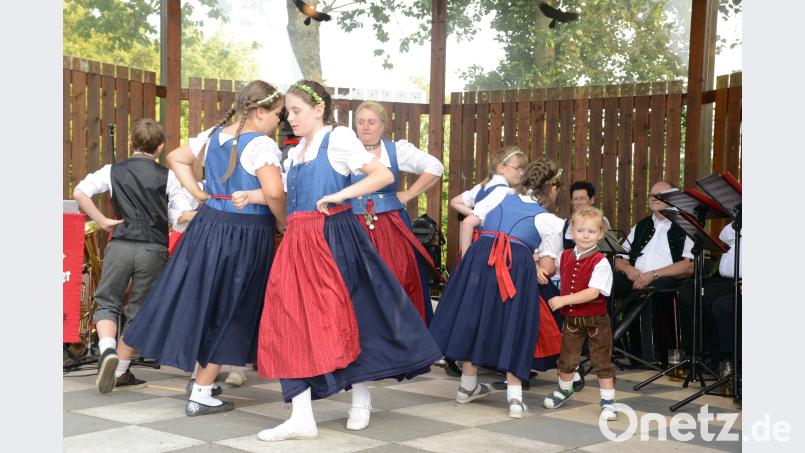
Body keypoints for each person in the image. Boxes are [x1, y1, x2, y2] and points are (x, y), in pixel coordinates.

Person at [255, 80, 442, 442]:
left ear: (318, 109)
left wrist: (341, 193)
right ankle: (301, 415)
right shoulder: (296, 151)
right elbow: (286, 195)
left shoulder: (337, 140)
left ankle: (360, 393)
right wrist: (248, 196)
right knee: (290, 320)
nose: (289, 118)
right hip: (297, 241)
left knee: (351, 317)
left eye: (295, 111)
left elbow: (383, 175)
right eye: (287, 112)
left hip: (332, 238)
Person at [123, 80, 286, 416]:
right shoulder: (262, 145)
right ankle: (201, 391)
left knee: (204, 300)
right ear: (260, 112)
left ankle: (200, 380)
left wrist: (200, 195)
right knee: (232, 307)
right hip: (246, 232)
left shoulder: (215, 135)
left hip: (208, 225)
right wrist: (283, 220)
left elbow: (175, 158)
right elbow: (273, 192)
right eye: (278, 115)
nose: (279, 122)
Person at [429, 159, 563, 419]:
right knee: (515, 324)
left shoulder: (499, 194)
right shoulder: (550, 221)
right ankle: (514, 399)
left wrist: (467, 263)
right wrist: (538, 265)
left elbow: (469, 223)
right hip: (516, 269)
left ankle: (467, 388)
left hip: (480, 260)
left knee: (476, 320)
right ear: (552, 190)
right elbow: (548, 267)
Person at [73, 118, 184, 393]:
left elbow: (79, 191)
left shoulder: (113, 170)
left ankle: (107, 349)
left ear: (132, 143)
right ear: (159, 147)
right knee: (140, 309)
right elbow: (179, 217)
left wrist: (101, 220)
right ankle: (121, 370)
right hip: (153, 248)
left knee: (107, 301)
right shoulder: (168, 176)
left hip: (120, 243)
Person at [351, 101, 444, 323]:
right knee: (356, 283)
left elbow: (435, 166)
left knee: (398, 278)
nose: (365, 127)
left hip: (390, 225)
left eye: (371, 122)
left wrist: (410, 193)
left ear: (382, 126)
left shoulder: (396, 150)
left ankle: (403, 344)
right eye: (361, 122)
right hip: (352, 226)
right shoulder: (344, 151)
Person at [543, 206, 616, 420]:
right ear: (572, 232)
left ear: (600, 234)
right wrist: (540, 266)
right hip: (572, 320)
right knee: (566, 358)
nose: (585, 235)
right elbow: (552, 269)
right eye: (581, 230)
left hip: (596, 321)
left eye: (591, 232)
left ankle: (608, 400)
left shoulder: (600, 262)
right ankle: (565, 389)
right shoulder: (565, 255)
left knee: (601, 360)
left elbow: (593, 292)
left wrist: (563, 299)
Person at [613, 180, 694, 362]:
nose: (653, 198)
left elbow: (689, 266)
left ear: (673, 198)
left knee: (653, 289)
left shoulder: (686, 225)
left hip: (667, 279)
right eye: (651, 195)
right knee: (605, 283)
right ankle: (610, 344)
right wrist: (628, 269)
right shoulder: (641, 226)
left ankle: (652, 354)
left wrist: (654, 274)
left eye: (660, 195)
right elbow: (618, 257)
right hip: (635, 277)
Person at [449, 146, 526, 220]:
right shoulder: (506, 192)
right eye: (517, 168)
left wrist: (476, 215)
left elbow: (455, 202)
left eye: (523, 169)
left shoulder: (482, 187)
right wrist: (478, 216)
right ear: (501, 168)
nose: (522, 173)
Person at [562, 181, 611, 250]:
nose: (578, 203)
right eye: (575, 199)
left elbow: (607, 250)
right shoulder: (566, 223)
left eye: (582, 198)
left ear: (592, 200)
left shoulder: (601, 221)